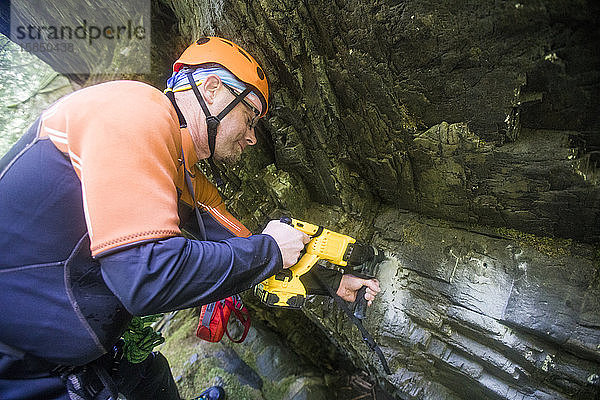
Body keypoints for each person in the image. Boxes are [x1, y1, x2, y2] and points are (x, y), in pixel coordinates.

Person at [0, 36, 381, 399]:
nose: (251, 138)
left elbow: (248, 249)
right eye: (249, 118)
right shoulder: (134, 110)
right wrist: (267, 250)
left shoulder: (182, 174)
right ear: (212, 88)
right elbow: (146, 277)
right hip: (18, 359)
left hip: (69, 342)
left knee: (152, 378)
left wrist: (333, 280)